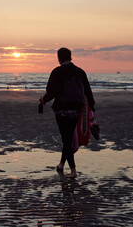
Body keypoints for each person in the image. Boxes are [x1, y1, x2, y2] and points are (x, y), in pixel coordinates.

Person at [39, 47, 95, 178]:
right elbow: (88, 90)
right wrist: (92, 106)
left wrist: (43, 100)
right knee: (68, 138)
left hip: (61, 110)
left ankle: (74, 171)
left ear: (59, 58)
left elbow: (51, 92)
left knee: (66, 140)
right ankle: (61, 165)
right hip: (76, 110)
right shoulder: (80, 72)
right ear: (71, 57)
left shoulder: (57, 72)